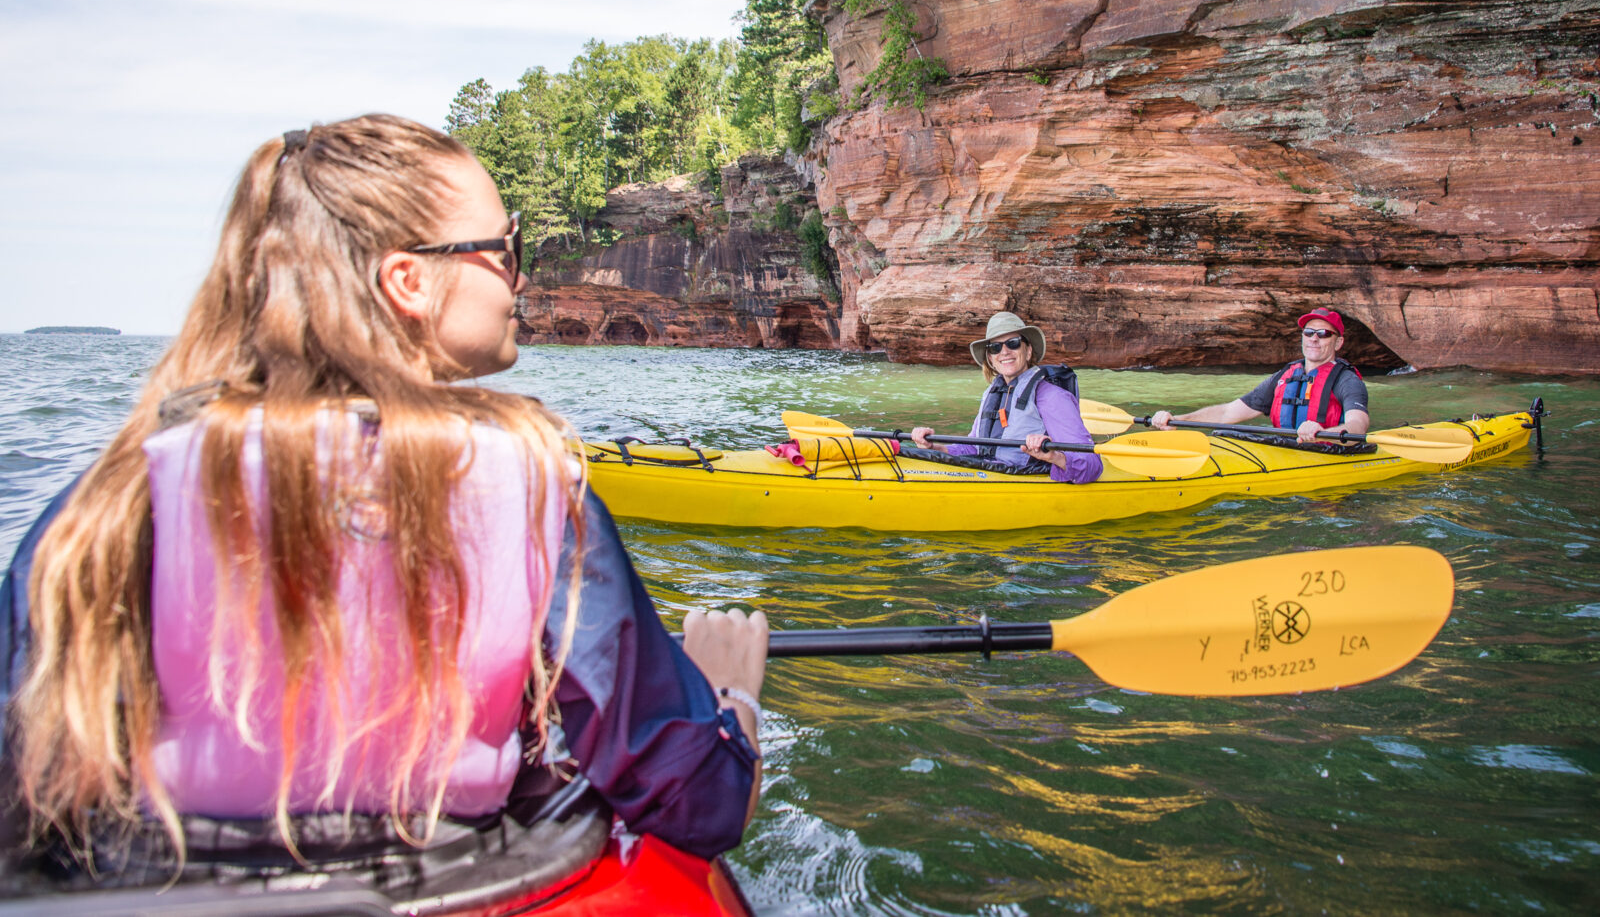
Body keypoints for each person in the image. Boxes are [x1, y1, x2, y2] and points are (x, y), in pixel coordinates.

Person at [0, 116, 768, 890]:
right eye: (508, 251)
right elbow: (698, 802)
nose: (523, 279)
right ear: (409, 281)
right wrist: (730, 695)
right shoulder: (524, 479)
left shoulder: (112, 495)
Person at [909, 311, 1101, 483]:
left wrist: (1052, 456)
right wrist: (934, 446)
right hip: (990, 474)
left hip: (1025, 482)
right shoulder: (991, 395)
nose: (1005, 352)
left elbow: (1092, 465)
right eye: (995, 347)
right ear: (991, 359)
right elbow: (973, 449)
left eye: (1013, 343)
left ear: (1028, 351)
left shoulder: (1052, 397)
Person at [1150, 307, 1370, 444]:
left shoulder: (1346, 380)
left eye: (1323, 334)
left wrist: (1323, 431)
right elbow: (1227, 412)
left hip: (1328, 455)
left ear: (1338, 342)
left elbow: (1358, 427)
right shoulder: (1285, 376)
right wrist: (1179, 420)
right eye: (1308, 332)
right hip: (1283, 450)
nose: (1314, 338)